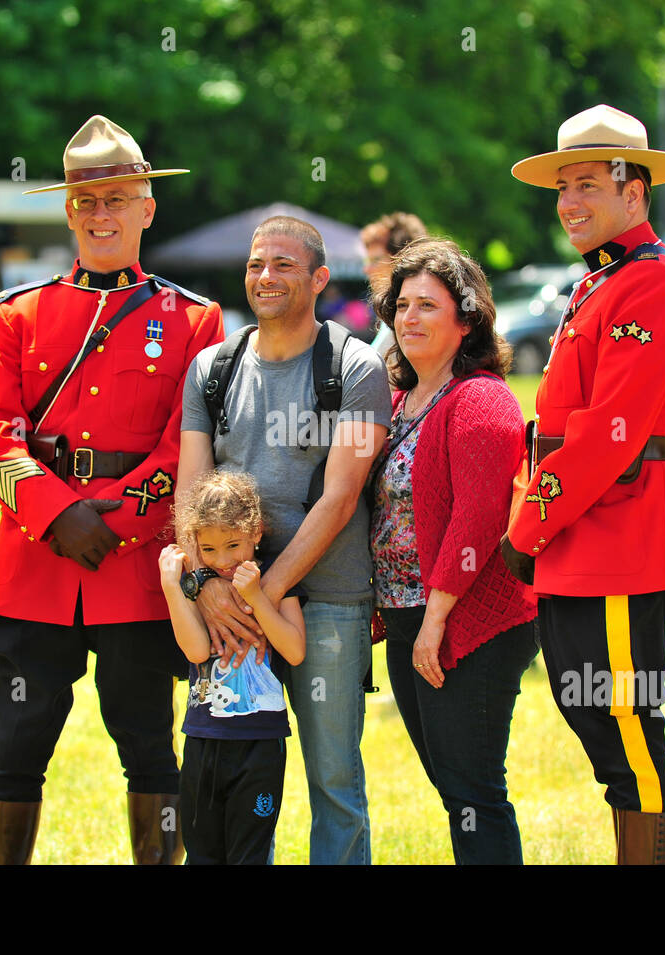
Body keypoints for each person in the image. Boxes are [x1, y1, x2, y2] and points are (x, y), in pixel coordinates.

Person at [0, 115, 224, 864]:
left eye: (117, 198)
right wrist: (57, 514)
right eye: (86, 201)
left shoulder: (193, 319)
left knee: (149, 745)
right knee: (15, 746)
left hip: (137, 566)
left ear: (148, 207)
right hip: (38, 559)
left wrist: (116, 519)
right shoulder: (18, 313)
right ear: (69, 211)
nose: (101, 214)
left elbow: (192, 438)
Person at [504, 104, 665, 864]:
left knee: (629, 735)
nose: (570, 203)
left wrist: (526, 529)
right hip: (578, 538)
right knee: (599, 725)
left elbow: (605, 440)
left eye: (588, 183)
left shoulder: (650, 285)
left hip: (617, 535)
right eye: (563, 187)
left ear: (636, 193)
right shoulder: (601, 283)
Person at [178, 215, 392, 864]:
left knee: (333, 783)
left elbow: (340, 496)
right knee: (236, 786)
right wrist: (205, 587)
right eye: (255, 264)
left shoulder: (358, 370)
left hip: (325, 604)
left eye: (283, 265)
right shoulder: (211, 368)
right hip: (227, 610)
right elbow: (190, 492)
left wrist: (260, 596)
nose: (264, 276)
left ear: (320, 278)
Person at [368, 238, 539, 864]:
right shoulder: (398, 402)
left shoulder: (481, 399)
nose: (409, 318)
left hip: (468, 618)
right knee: (453, 788)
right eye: (401, 305)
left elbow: (477, 520)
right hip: (413, 612)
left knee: (473, 789)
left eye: (428, 306)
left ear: (466, 320)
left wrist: (436, 619)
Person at [158, 469, 306, 864]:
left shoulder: (275, 583)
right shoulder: (197, 589)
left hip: (260, 743)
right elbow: (195, 651)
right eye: (208, 550)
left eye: (233, 545)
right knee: (203, 853)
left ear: (257, 532)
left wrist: (257, 597)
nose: (222, 561)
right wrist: (173, 587)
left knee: (249, 854)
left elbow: (293, 651)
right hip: (204, 739)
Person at [362, 212, 428, 360]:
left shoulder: (412, 318)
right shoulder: (393, 312)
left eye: (376, 260)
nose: (367, 269)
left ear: (402, 259)